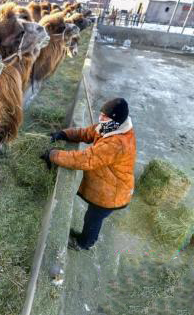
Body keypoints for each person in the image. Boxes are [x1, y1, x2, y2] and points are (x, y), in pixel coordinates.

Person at [40, 98, 136, 250]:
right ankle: (85, 239)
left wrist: (53, 155)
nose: (101, 118)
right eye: (101, 114)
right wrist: (64, 134)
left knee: (93, 218)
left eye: (105, 116)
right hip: (107, 185)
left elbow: (86, 159)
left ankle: (84, 243)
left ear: (115, 120)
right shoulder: (109, 127)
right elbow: (85, 133)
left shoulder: (116, 144)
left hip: (113, 192)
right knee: (92, 216)